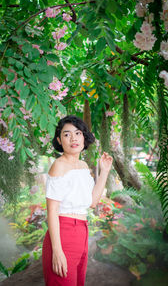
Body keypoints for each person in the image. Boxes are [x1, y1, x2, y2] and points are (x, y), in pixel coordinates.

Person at [42, 115, 113, 286]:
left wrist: (104, 172)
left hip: (82, 232)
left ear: (84, 137)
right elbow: (52, 211)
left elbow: (92, 202)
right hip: (63, 233)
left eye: (78, 133)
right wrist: (57, 251)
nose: (73, 138)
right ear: (59, 140)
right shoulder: (59, 165)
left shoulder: (83, 166)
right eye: (66, 135)